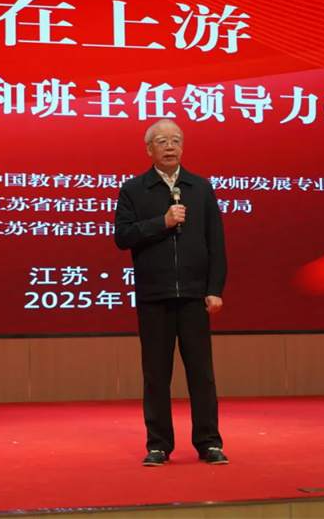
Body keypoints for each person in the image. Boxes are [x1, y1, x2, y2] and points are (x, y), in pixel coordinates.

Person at [114, 119, 229, 467]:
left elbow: (216, 243)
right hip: (154, 296)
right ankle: (159, 444)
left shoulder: (200, 187)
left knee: (201, 373)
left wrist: (214, 289)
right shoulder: (134, 189)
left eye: (175, 140)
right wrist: (161, 222)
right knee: (156, 374)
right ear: (149, 148)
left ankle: (209, 443)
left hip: (194, 295)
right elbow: (122, 237)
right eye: (162, 141)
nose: (169, 146)